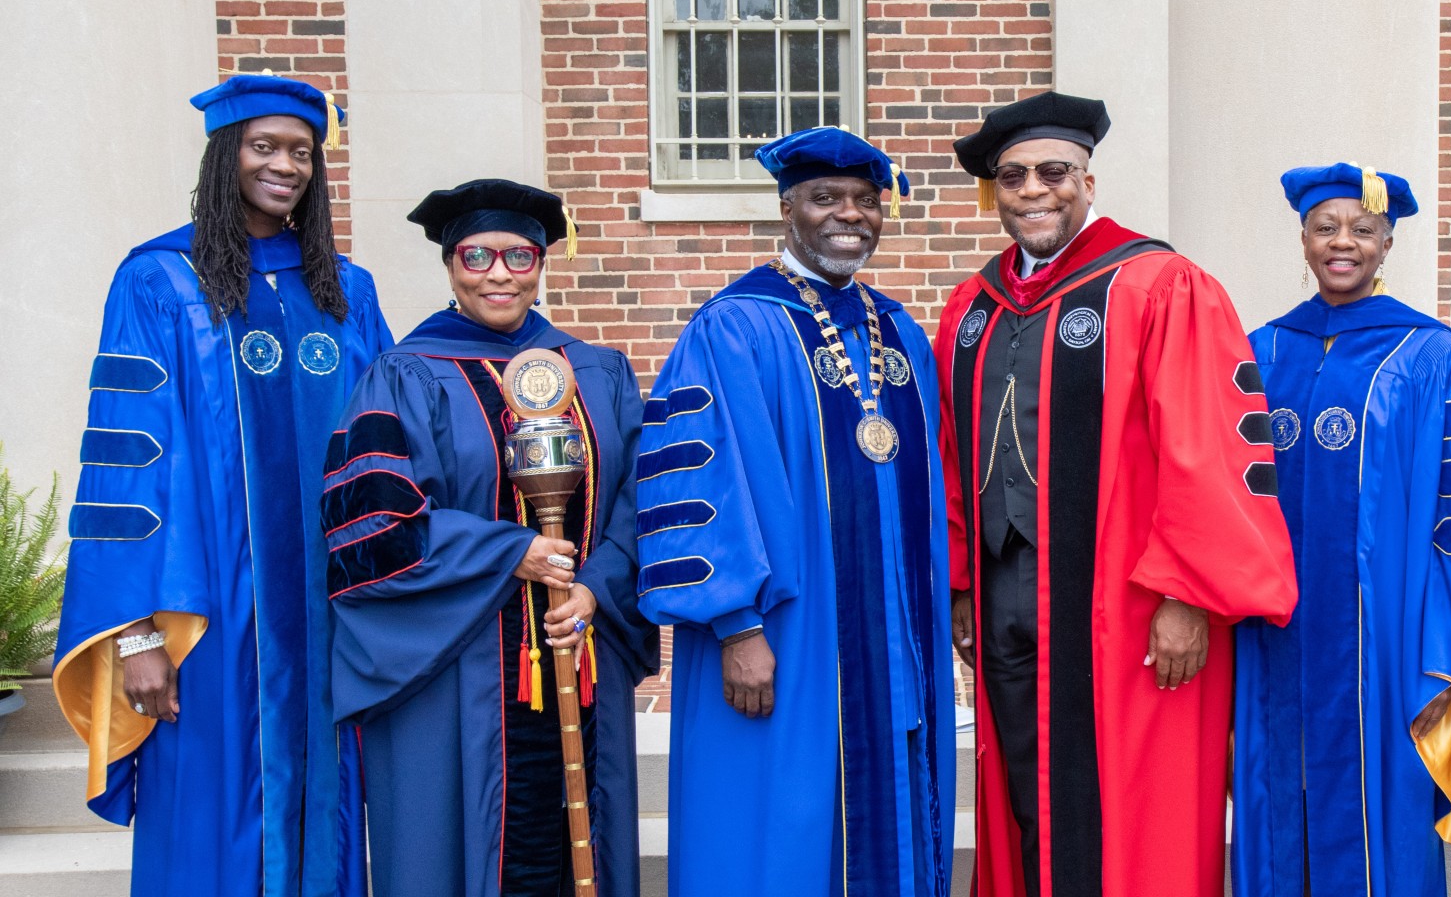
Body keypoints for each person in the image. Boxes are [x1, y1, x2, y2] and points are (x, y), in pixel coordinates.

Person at [938, 91, 1298, 897]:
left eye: (1055, 171)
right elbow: (952, 456)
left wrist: (1187, 596)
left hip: (1129, 604)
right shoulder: (972, 307)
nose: (1036, 189)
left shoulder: (1158, 283)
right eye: (1015, 176)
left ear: (1088, 182)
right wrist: (962, 581)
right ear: (995, 191)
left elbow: (1207, 446)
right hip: (1005, 597)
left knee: (1136, 803)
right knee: (1025, 783)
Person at [51, 75, 389, 897]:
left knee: (330, 817)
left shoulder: (346, 290)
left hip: (329, 625)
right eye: (263, 146)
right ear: (224, 156)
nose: (286, 166)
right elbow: (127, 469)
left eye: (302, 152)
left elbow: (388, 452)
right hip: (204, 622)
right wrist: (135, 637)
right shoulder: (160, 282)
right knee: (209, 815)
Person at [633, 127, 954, 897]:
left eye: (864, 201)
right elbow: (696, 486)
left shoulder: (901, 331)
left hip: (893, 642)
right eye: (824, 198)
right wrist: (737, 626)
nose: (848, 214)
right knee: (777, 833)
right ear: (787, 208)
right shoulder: (734, 326)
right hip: (786, 637)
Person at [322, 179, 657, 896]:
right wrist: (512, 553)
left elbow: (642, 501)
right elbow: (375, 521)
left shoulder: (597, 371)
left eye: (518, 255)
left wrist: (596, 590)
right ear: (449, 265)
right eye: (476, 256)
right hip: (457, 667)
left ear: (541, 264)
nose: (499, 274)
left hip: (580, 648)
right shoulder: (404, 374)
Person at [1234, 164, 1451, 897]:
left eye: (1362, 229)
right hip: (1270, 642)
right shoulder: (1261, 351)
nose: (1343, 243)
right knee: (1275, 802)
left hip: (1389, 651)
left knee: (1382, 827)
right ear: (1302, 238)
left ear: (1388, 242)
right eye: (1325, 227)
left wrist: (1444, 658)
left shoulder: (1431, 355)